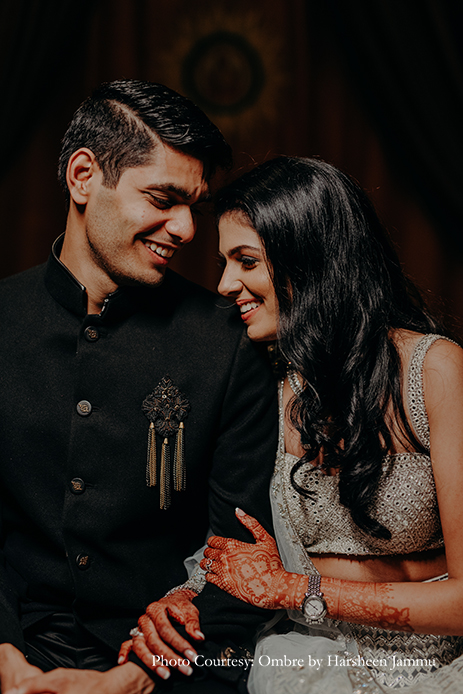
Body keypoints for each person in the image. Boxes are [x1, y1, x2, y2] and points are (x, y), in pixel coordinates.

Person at [128, 156, 463, 692]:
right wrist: (181, 600)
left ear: (311, 261)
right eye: (224, 262)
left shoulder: (433, 370)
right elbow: (238, 538)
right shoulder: (266, 381)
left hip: (437, 668)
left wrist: (296, 590)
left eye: (245, 261)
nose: (224, 284)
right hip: (304, 661)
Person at [0, 80, 278, 694]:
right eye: (162, 198)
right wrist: (8, 661)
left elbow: (247, 555)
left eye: (194, 208)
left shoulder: (227, 344)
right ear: (83, 176)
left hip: (168, 664)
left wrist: (137, 679)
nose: (183, 228)